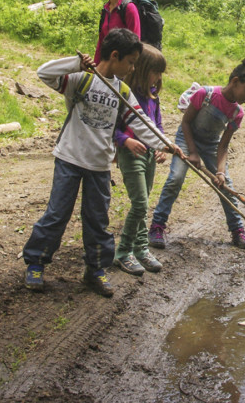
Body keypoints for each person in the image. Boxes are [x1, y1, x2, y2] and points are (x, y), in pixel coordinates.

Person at [22, 28, 177, 297]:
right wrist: (75, 64)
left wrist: (166, 144)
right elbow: (44, 73)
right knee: (57, 214)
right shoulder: (81, 80)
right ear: (114, 56)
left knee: (97, 220)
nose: (131, 68)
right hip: (70, 159)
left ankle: (95, 270)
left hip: (100, 166)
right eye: (129, 62)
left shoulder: (122, 92)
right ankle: (36, 263)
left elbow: (142, 125)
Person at [148, 59, 245, 251]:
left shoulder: (237, 112)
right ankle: (157, 226)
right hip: (187, 139)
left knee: (227, 187)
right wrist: (192, 152)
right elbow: (185, 123)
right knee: (175, 178)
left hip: (211, 145)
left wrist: (219, 172)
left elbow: (223, 145)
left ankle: (237, 231)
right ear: (235, 81)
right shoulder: (205, 94)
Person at [112, 46, 168, 277]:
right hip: (131, 154)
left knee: (143, 203)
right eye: (155, 72)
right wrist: (125, 141)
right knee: (140, 203)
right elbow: (111, 127)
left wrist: (162, 147)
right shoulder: (123, 95)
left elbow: (157, 127)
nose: (158, 78)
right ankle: (123, 252)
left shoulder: (153, 96)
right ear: (143, 70)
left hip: (149, 155)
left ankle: (141, 248)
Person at [94, 0, 140, 64]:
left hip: (122, 62)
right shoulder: (105, 9)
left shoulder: (129, 8)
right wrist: (96, 64)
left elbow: (136, 40)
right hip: (108, 61)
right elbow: (102, 41)